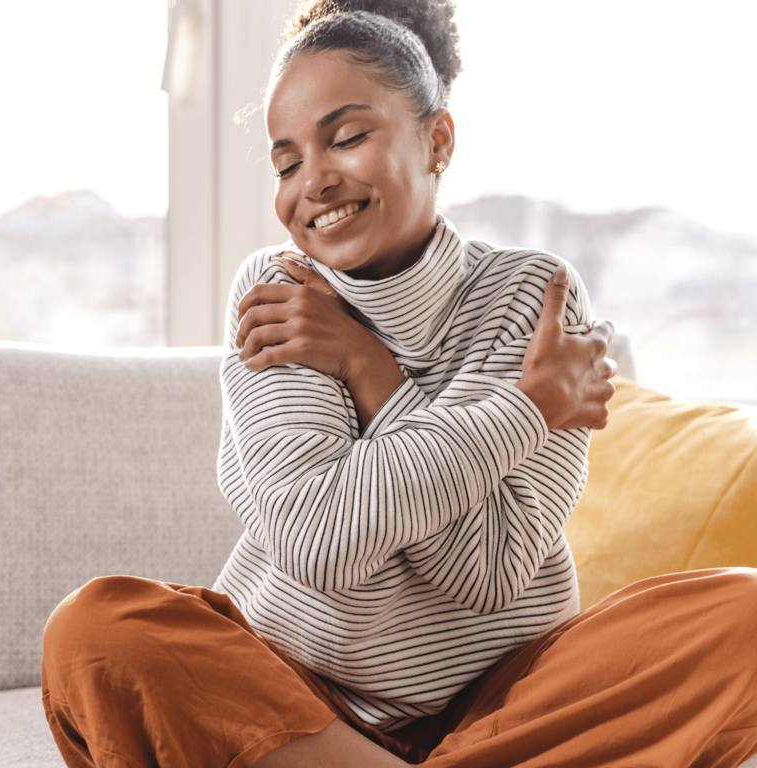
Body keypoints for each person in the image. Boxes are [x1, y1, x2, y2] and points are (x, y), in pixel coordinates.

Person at [40, 2, 757, 766]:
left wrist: (369, 369)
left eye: (346, 137)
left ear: (437, 139)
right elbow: (320, 543)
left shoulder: (530, 296)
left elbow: (489, 572)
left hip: (500, 701)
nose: (312, 182)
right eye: (286, 162)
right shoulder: (276, 289)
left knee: (743, 613)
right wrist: (526, 410)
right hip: (298, 700)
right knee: (97, 631)